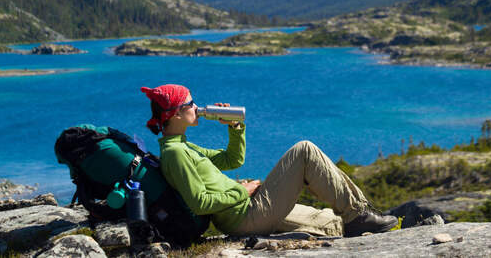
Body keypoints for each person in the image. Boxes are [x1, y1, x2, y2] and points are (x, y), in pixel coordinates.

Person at [140, 84, 397, 237]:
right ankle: (358, 213)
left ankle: (358, 217)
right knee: (304, 151)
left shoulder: (183, 146)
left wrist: (234, 127)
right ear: (174, 115)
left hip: (249, 209)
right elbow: (199, 203)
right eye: (190, 103)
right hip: (245, 216)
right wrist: (241, 191)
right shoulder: (175, 154)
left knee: (330, 222)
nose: (196, 107)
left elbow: (232, 159)